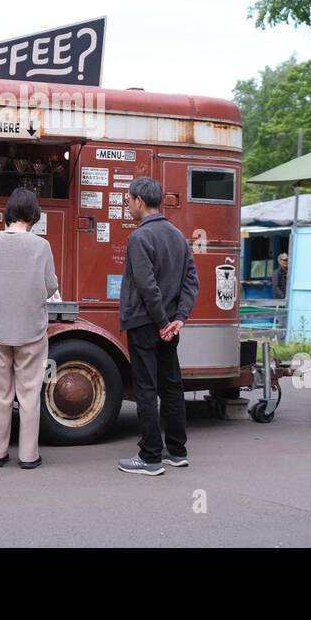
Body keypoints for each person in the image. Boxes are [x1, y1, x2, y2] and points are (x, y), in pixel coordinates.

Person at [117, 176, 199, 476]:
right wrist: (178, 319)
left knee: (147, 389)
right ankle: (177, 451)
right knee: (172, 387)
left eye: (128, 200)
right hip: (169, 327)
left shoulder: (139, 238)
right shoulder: (178, 235)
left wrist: (164, 321)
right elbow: (192, 282)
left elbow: (147, 286)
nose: (127, 205)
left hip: (144, 323)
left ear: (139, 200)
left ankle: (150, 456)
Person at [0, 187, 59, 469]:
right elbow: (51, 287)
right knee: (28, 394)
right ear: (34, 214)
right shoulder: (41, 246)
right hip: (31, 330)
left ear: (9, 211)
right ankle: (28, 455)